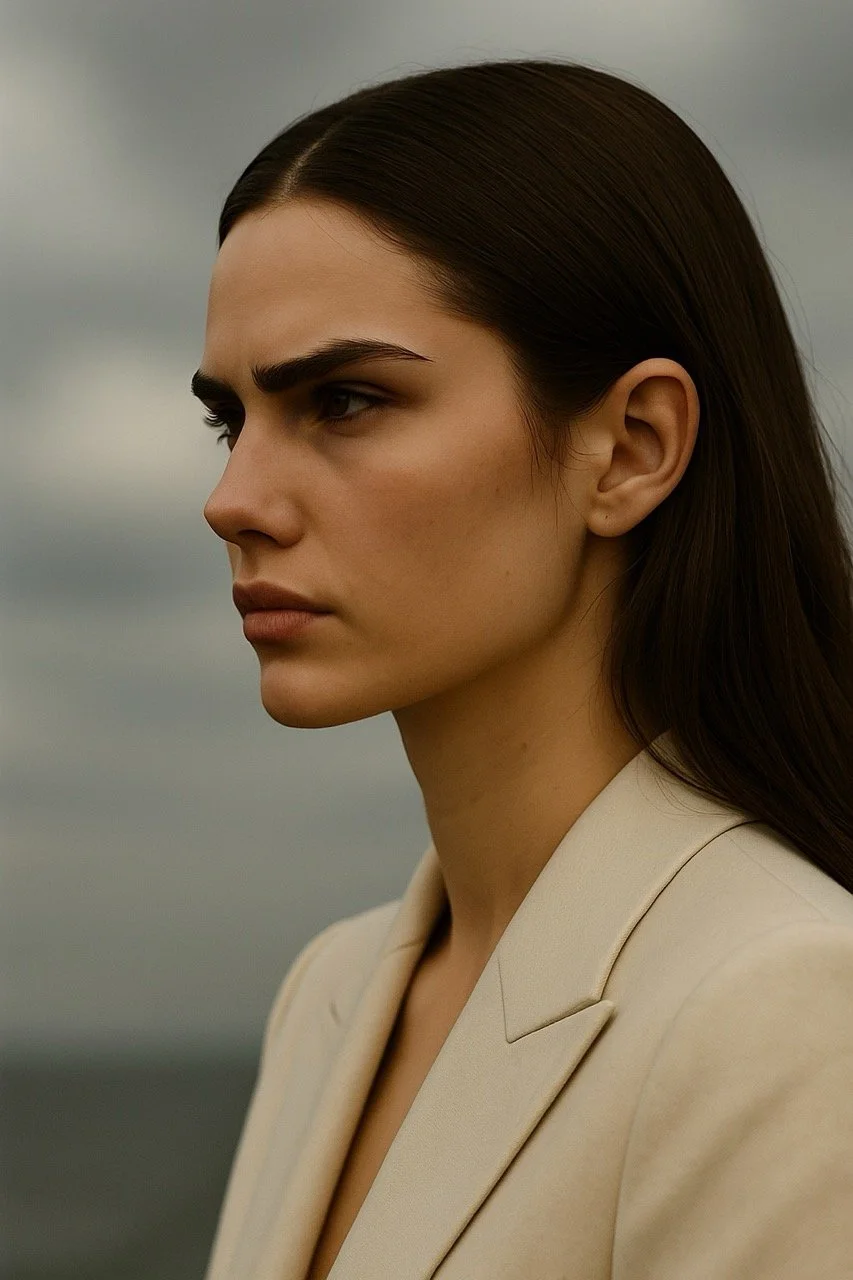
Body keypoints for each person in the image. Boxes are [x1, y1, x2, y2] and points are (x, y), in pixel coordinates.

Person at [194, 58, 853, 1280]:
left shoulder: (785, 1002)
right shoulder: (332, 991)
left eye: (344, 399)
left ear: (631, 448)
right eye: (230, 419)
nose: (232, 500)